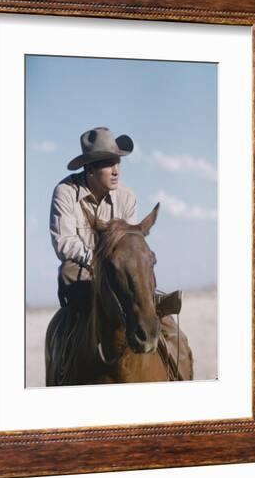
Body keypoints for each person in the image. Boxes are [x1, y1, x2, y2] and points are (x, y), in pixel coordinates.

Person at [49, 126, 192, 379]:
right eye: (108, 164)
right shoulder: (66, 193)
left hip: (119, 271)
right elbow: (63, 242)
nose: (116, 170)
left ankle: (178, 373)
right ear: (90, 169)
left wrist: (116, 263)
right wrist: (98, 258)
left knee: (169, 327)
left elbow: (130, 244)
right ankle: (62, 367)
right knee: (67, 319)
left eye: (118, 163)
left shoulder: (126, 197)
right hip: (81, 267)